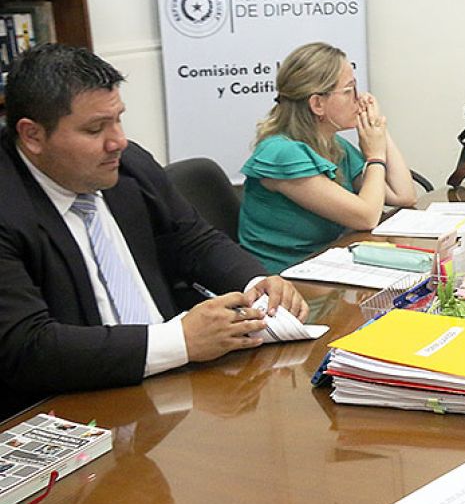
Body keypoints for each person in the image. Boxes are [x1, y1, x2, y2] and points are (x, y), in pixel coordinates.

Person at [0, 44, 308, 419]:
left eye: (118, 119)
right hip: (74, 410)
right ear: (32, 136)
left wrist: (256, 280)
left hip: (172, 396)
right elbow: (27, 347)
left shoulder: (129, 166)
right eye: (95, 128)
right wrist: (181, 340)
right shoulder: (8, 206)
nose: (118, 141)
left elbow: (194, 239)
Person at [239, 42, 417, 273]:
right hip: (286, 281)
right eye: (348, 90)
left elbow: (403, 195)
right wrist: (374, 155)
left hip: (328, 264)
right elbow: (367, 217)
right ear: (317, 104)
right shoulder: (281, 153)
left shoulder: (332, 144)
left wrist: (378, 129)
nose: (359, 98)